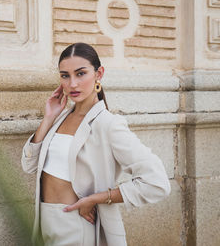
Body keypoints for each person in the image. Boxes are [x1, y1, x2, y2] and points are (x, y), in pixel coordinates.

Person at [21, 42, 171, 246]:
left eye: (80, 74)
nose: (72, 84)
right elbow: (29, 165)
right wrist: (48, 119)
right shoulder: (59, 119)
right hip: (44, 222)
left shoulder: (108, 124)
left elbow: (157, 182)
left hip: (75, 226)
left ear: (98, 74)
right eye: (65, 75)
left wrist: (97, 198)